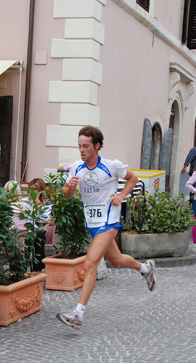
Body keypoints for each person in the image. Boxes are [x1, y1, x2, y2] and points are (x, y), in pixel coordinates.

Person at [56, 126, 156, 330]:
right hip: (91, 223)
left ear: (97, 146)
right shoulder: (76, 167)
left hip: (108, 222)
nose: (81, 150)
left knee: (90, 264)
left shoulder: (111, 166)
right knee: (117, 261)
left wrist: (121, 196)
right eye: (79, 146)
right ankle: (146, 269)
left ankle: (78, 314)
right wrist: (70, 187)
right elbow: (66, 194)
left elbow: (133, 178)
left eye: (85, 146)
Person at [23, 178, 53, 272]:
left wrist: (38, 203)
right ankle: (22, 270)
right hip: (25, 230)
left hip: (38, 230)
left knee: (39, 237)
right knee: (26, 239)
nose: (33, 192)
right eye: (31, 189)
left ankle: (38, 271)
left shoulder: (47, 203)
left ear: (41, 190)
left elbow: (44, 218)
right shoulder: (24, 202)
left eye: (35, 189)